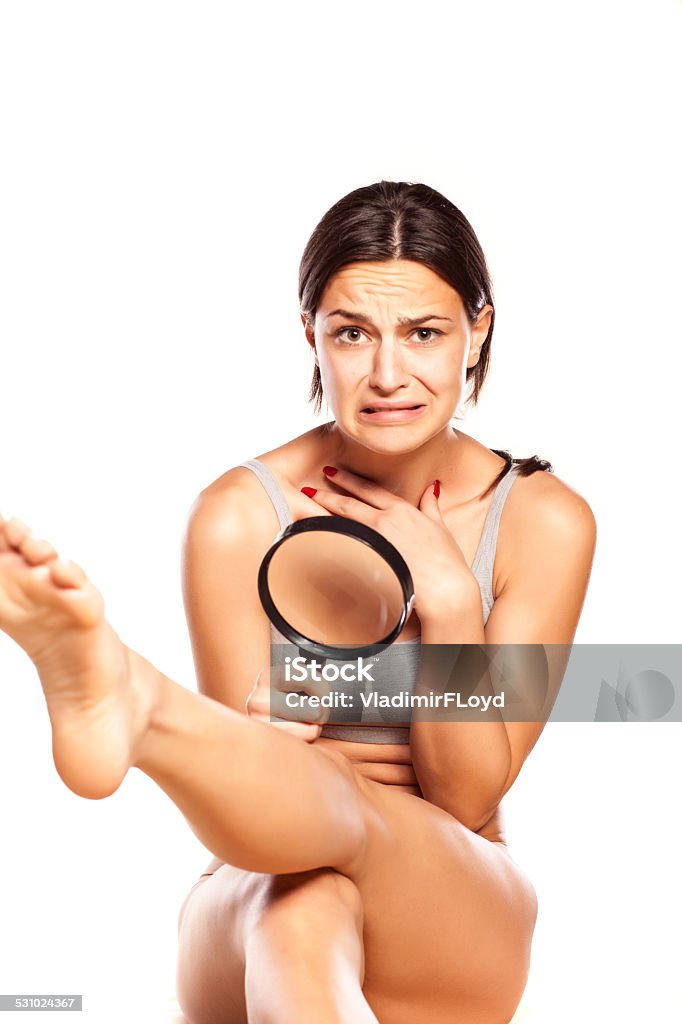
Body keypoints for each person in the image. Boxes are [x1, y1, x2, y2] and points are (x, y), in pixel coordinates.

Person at [0, 180, 596, 1024]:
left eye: (424, 333)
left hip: (458, 902)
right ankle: (141, 707)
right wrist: (261, 736)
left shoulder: (543, 521)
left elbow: (465, 802)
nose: (388, 374)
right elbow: (245, 823)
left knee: (332, 849)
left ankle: (143, 705)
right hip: (251, 891)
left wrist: (453, 601)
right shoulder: (239, 515)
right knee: (302, 903)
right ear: (311, 334)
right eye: (352, 334)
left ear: (477, 332)